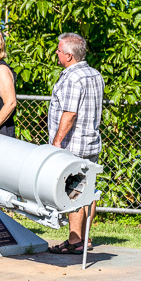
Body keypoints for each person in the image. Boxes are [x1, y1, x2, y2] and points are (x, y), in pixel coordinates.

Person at [46, 33, 104, 255]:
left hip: (73, 145)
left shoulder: (72, 77)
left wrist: (57, 142)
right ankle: (85, 238)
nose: (57, 53)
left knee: (73, 191)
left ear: (69, 56)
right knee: (88, 188)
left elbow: (69, 113)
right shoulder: (95, 74)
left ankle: (75, 240)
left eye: (59, 50)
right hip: (91, 142)